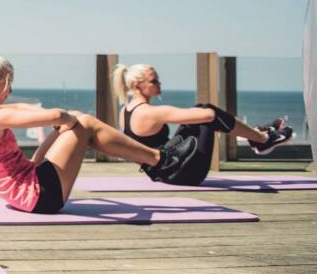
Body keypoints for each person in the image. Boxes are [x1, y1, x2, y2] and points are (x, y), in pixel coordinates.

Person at [0, 49, 196, 213]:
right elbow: (53, 116)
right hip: (38, 196)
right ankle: (160, 161)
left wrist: (65, 118)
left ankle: (157, 162)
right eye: (8, 84)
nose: (10, 90)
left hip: (29, 184)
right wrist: (66, 120)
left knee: (78, 119)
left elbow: (22, 108)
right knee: (83, 122)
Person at [112, 63, 294, 185]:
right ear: (137, 86)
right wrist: (203, 113)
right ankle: (261, 139)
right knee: (207, 112)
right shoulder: (152, 112)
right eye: (154, 81)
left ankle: (258, 137)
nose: (159, 83)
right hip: (181, 174)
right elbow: (209, 115)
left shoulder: (125, 111)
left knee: (201, 112)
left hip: (161, 172)